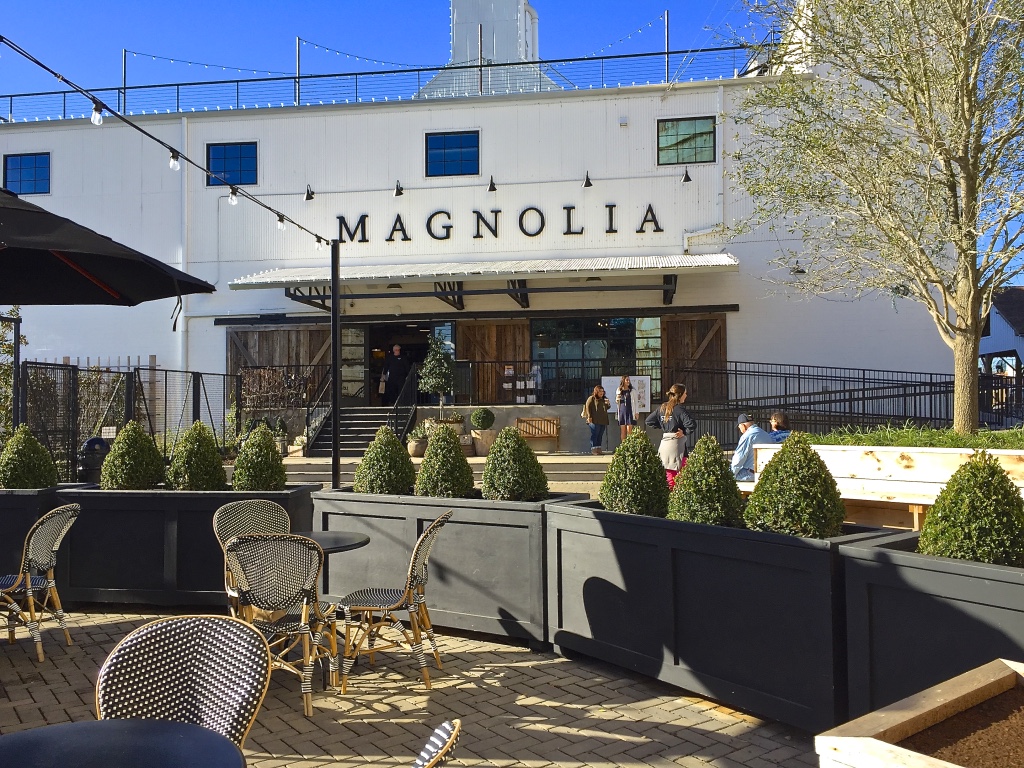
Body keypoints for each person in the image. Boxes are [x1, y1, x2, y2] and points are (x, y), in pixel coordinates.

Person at [645, 383, 697, 489]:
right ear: (680, 395)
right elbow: (692, 424)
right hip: (677, 444)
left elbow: (649, 421)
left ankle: (670, 494)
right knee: (683, 474)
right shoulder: (679, 409)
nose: (686, 396)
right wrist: (684, 431)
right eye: (685, 393)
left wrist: (663, 426)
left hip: (665, 444)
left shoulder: (662, 408)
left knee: (669, 474)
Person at [731, 413, 774, 481]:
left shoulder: (747, 436)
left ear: (743, 426)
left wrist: (730, 474)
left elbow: (739, 458)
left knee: (724, 476)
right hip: (766, 473)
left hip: (751, 473)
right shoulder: (765, 434)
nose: (740, 430)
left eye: (739, 427)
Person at [583, 384, 611, 455]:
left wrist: (608, 404)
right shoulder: (592, 398)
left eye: (602, 391)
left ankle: (598, 448)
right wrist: (589, 417)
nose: (602, 393)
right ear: (596, 392)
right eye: (600, 391)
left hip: (603, 420)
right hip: (594, 420)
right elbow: (588, 407)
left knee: (600, 435)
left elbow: (607, 408)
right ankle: (594, 449)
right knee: (595, 434)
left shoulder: (604, 399)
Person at [615, 375, 639, 442]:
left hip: (630, 411)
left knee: (629, 429)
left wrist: (637, 412)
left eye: (629, 380)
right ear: (623, 381)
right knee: (623, 430)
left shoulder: (632, 391)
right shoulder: (619, 390)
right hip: (622, 411)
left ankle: (629, 444)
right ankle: (623, 445)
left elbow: (636, 402)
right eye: (627, 380)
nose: (628, 381)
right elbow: (617, 401)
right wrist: (617, 399)